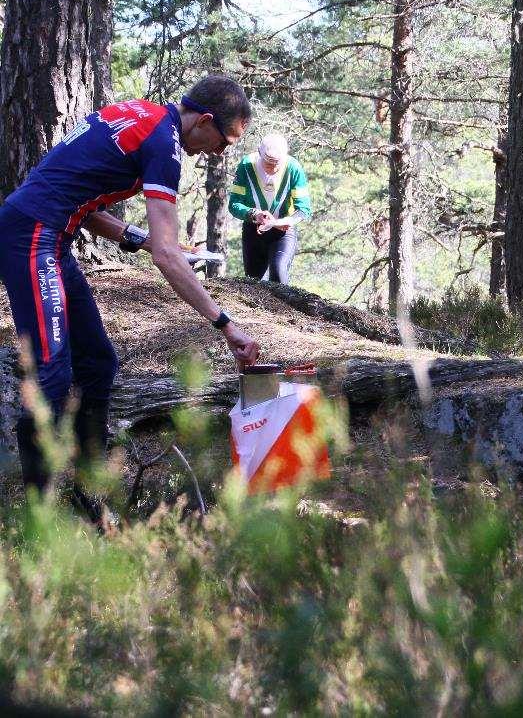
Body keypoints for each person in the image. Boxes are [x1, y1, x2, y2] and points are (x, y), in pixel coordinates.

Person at [0, 75, 260, 515]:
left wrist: (135, 237)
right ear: (206, 121)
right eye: (223, 142)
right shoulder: (165, 146)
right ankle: (35, 516)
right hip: (32, 235)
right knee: (52, 375)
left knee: (98, 361)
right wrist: (226, 325)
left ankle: (91, 488)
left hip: (51, 234)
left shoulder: (144, 114)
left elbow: (79, 197)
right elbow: (165, 255)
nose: (220, 153)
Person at [229, 133, 311, 284]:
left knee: (278, 272)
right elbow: (234, 204)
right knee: (254, 281)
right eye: (268, 164)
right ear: (259, 153)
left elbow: (304, 209)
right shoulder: (246, 166)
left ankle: (286, 308)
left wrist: (283, 222)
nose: (272, 168)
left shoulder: (293, 168)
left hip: (282, 231)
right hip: (254, 228)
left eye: (277, 164)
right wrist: (254, 214)